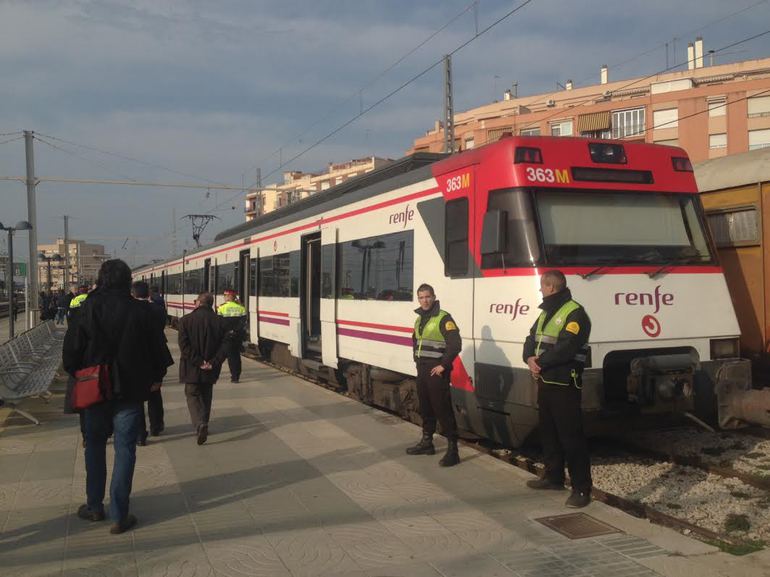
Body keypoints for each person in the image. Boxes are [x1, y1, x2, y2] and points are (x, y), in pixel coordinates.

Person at [62, 259, 173, 534]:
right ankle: (120, 514)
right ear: (127, 281)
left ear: (101, 279)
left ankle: (94, 506)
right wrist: (156, 378)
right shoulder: (142, 311)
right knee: (125, 448)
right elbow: (158, 349)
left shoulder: (87, 307)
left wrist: (82, 373)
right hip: (130, 392)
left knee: (95, 445)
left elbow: (70, 355)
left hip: (95, 391)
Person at [523, 270, 592, 508]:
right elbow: (531, 337)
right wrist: (529, 358)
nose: (540, 290)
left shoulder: (575, 313)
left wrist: (539, 362)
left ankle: (582, 489)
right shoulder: (546, 313)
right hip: (546, 382)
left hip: (565, 383)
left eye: (542, 287)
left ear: (551, 287)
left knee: (571, 437)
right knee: (549, 433)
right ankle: (553, 477)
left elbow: (567, 347)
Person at [406, 283, 462, 467]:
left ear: (434, 296)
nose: (424, 300)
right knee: (426, 408)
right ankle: (427, 442)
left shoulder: (443, 317)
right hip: (422, 370)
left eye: (427, 296)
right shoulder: (419, 318)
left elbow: (455, 344)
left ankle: (453, 450)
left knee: (442, 409)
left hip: (436, 371)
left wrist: (443, 365)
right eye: (421, 297)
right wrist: (416, 359)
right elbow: (416, 340)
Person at [179, 292, 227, 445]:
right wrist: (213, 362)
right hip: (211, 368)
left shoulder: (185, 321)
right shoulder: (220, 322)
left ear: (199, 302)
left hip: (192, 368)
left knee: (192, 395)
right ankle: (204, 422)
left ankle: (200, 424)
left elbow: (184, 346)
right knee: (206, 395)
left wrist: (199, 362)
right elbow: (225, 346)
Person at [131, 280, 168, 445]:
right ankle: (156, 426)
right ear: (148, 294)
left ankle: (140, 434)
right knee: (155, 394)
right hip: (155, 358)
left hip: (136, 360)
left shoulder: (128, 311)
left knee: (137, 399)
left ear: (133, 294)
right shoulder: (159, 311)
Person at [216, 289, 247, 383]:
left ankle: (213, 374)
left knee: (219, 357)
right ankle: (235, 377)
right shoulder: (242, 308)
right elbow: (243, 323)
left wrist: (228, 331)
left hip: (225, 337)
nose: (224, 297)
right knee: (235, 357)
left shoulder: (221, 308)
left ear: (230, 296)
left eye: (225, 295)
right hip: (237, 337)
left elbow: (219, 323)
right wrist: (235, 331)